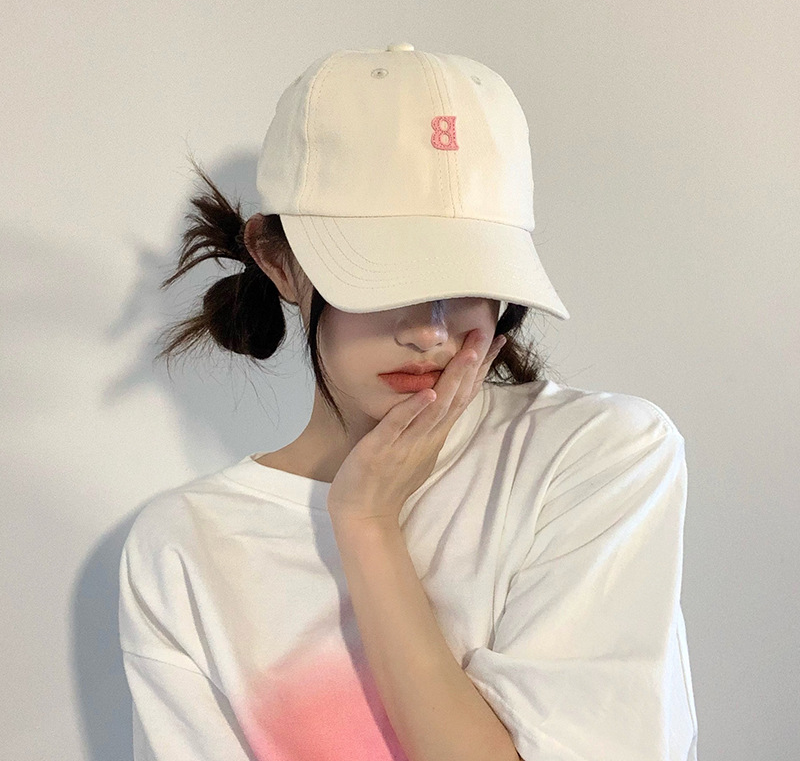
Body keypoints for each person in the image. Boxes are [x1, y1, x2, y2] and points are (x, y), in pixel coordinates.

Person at [118, 43, 699, 760]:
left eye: (468, 277)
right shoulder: (188, 546)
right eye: (384, 277)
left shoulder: (595, 457)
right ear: (280, 261)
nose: (430, 331)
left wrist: (367, 526)